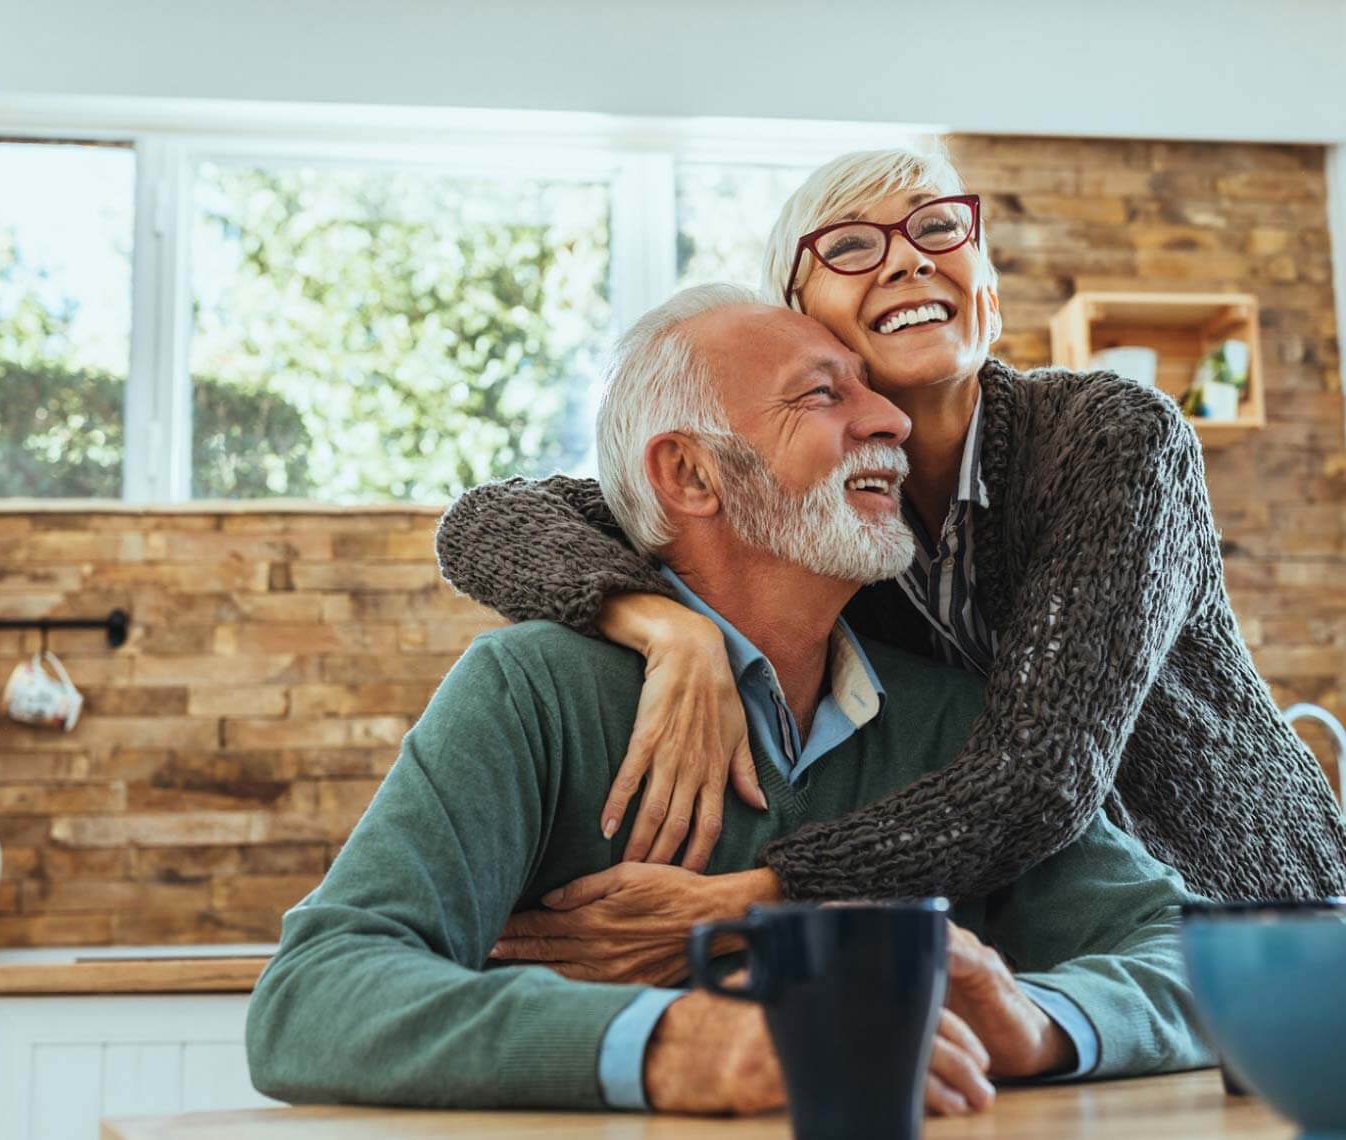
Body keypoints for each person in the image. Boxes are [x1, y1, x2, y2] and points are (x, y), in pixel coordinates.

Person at [245, 286, 1212, 1117]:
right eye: (824, 396)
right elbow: (314, 995)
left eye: (872, 391)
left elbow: (1191, 955)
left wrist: (1038, 1022)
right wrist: (681, 1043)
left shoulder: (955, 721)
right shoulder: (532, 691)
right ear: (691, 473)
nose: (891, 421)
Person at [433, 149, 1346, 950]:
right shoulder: (822, 510)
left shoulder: (1112, 439)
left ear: (984, 284)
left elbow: (1042, 776)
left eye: (939, 229)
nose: (909, 254)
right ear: (801, 317)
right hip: (1048, 935)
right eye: (851, 245)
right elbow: (488, 520)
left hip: (1253, 911)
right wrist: (671, 629)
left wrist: (759, 899)